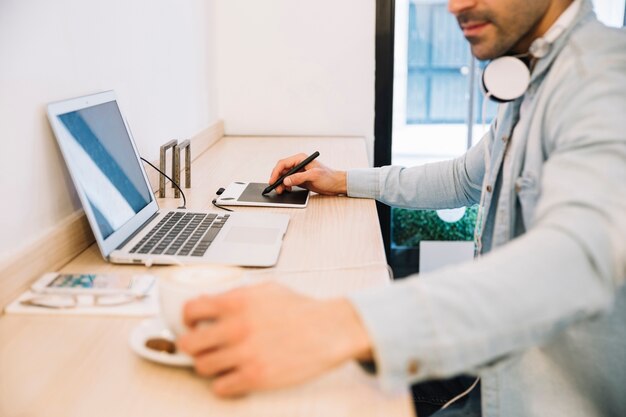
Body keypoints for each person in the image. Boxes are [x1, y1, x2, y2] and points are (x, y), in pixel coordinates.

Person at [178, 0, 626, 416]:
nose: (454, 6)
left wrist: (339, 324)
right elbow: (464, 178)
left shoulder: (605, 80)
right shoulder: (539, 74)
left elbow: (582, 255)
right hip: (494, 368)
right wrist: (344, 180)